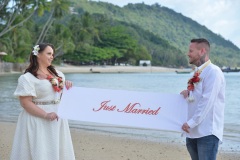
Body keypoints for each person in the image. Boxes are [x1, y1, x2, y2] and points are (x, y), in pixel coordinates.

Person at [10, 43, 75, 159]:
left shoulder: (59, 75)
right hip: (37, 119)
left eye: (53, 54)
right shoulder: (27, 78)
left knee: (57, 150)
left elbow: (61, 97)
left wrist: (68, 88)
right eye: (49, 53)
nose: (52, 57)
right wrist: (45, 114)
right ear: (38, 54)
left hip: (57, 118)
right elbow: (25, 103)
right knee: (39, 150)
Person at [180, 38, 225, 160]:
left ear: (202, 51)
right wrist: (189, 94)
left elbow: (207, 101)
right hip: (192, 133)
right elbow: (197, 98)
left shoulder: (213, 72)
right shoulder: (197, 73)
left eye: (191, 51)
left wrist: (191, 123)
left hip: (207, 133)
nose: (188, 53)